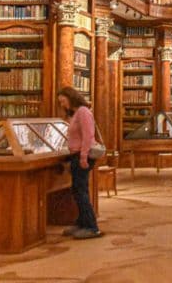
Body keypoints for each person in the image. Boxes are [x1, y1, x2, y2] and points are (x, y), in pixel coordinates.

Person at [57, 87, 101, 239]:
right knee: (77, 190)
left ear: (71, 97)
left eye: (63, 101)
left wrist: (83, 157)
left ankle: (92, 227)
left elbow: (88, 136)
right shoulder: (76, 113)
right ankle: (82, 222)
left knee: (81, 192)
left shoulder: (83, 112)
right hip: (77, 155)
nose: (62, 104)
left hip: (83, 156)